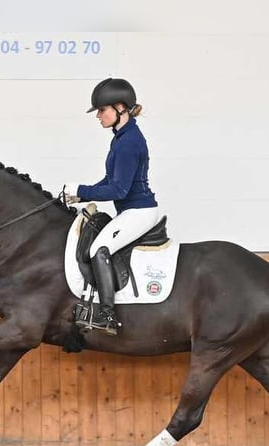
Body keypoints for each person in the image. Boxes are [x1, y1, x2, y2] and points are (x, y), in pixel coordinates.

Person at [64, 78, 160, 335]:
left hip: (139, 211)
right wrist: (79, 196)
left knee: (99, 248)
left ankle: (107, 315)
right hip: (131, 210)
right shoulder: (121, 137)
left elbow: (119, 190)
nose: (98, 116)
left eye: (102, 110)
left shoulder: (128, 142)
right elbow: (110, 180)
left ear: (120, 108)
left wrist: (81, 190)